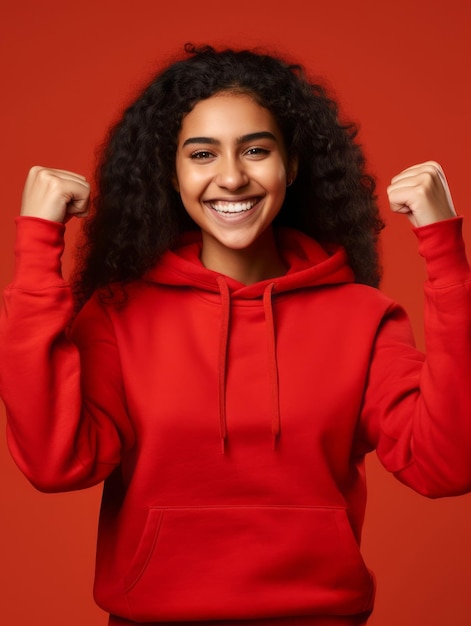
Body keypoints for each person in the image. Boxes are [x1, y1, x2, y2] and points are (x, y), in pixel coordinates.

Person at [0, 43, 470, 626]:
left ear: (290, 166)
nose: (230, 177)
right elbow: (54, 462)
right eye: (202, 154)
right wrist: (36, 245)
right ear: (171, 174)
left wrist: (446, 255)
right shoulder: (119, 315)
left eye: (255, 150)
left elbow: (447, 466)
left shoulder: (362, 317)